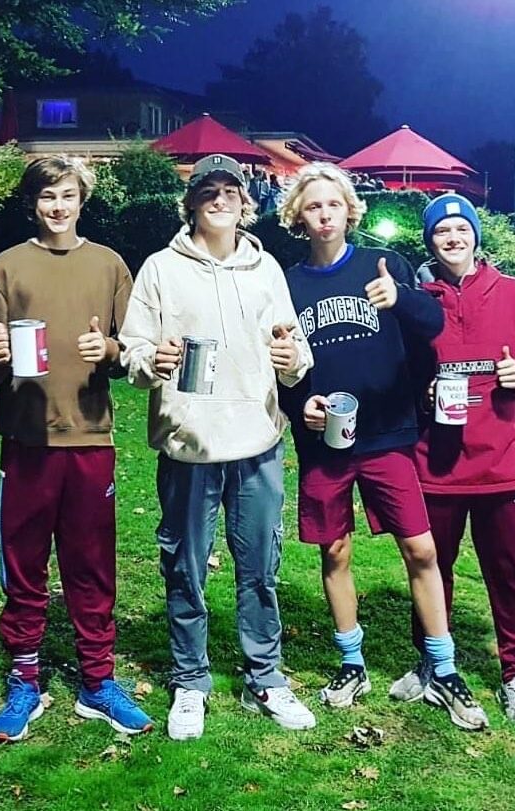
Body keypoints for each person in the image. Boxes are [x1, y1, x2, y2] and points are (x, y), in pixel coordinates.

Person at [275, 163, 488, 731]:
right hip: (326, 443)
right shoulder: (287, 284)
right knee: (334, 552)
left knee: (421, 549)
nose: (324, 215)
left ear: (350, 210)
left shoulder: (383, 264)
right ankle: (352, 662)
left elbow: (433, 322)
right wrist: (299, 405)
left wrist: (400, 298)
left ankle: (443, 668)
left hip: (388, 434)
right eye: (313, 206)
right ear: (298, 216)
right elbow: (282, 366)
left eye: (333, 204)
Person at [119, 153, 316, 741]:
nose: (220, 199)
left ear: (244, 202)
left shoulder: (266, 269)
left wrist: (292, 359)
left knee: (260, 569)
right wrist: (151, 360)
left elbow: (295, 350)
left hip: (257, 441)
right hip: (190, 445)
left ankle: (265, 676)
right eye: (208, 190)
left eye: (230, 190)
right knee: (186, 569)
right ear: (192, 202)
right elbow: (132, 349)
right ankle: (190, 681)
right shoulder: (160, 268)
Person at [0, 155, 152, 741]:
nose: (58, 206)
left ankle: (98, 681)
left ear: (82, 200)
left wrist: (112, 350)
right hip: (26, 439)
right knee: (24, 563)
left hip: (90, 437)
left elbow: (133, 350)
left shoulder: (108, 264)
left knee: (91, 563)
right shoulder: (7, 266)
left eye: (68, 195)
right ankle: (24, 679)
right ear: (33, 203)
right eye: (48, 196)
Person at [391, 193, 515, 729]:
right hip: (435, 464)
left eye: (462, 229)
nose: (453, 238)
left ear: (476, 236)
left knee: (509, 576)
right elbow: (398, 372)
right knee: (431, 568)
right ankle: (431, 661)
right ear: (430, 242)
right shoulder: (418, 303)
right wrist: (421, 394)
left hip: (502, 463)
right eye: (442, 232)